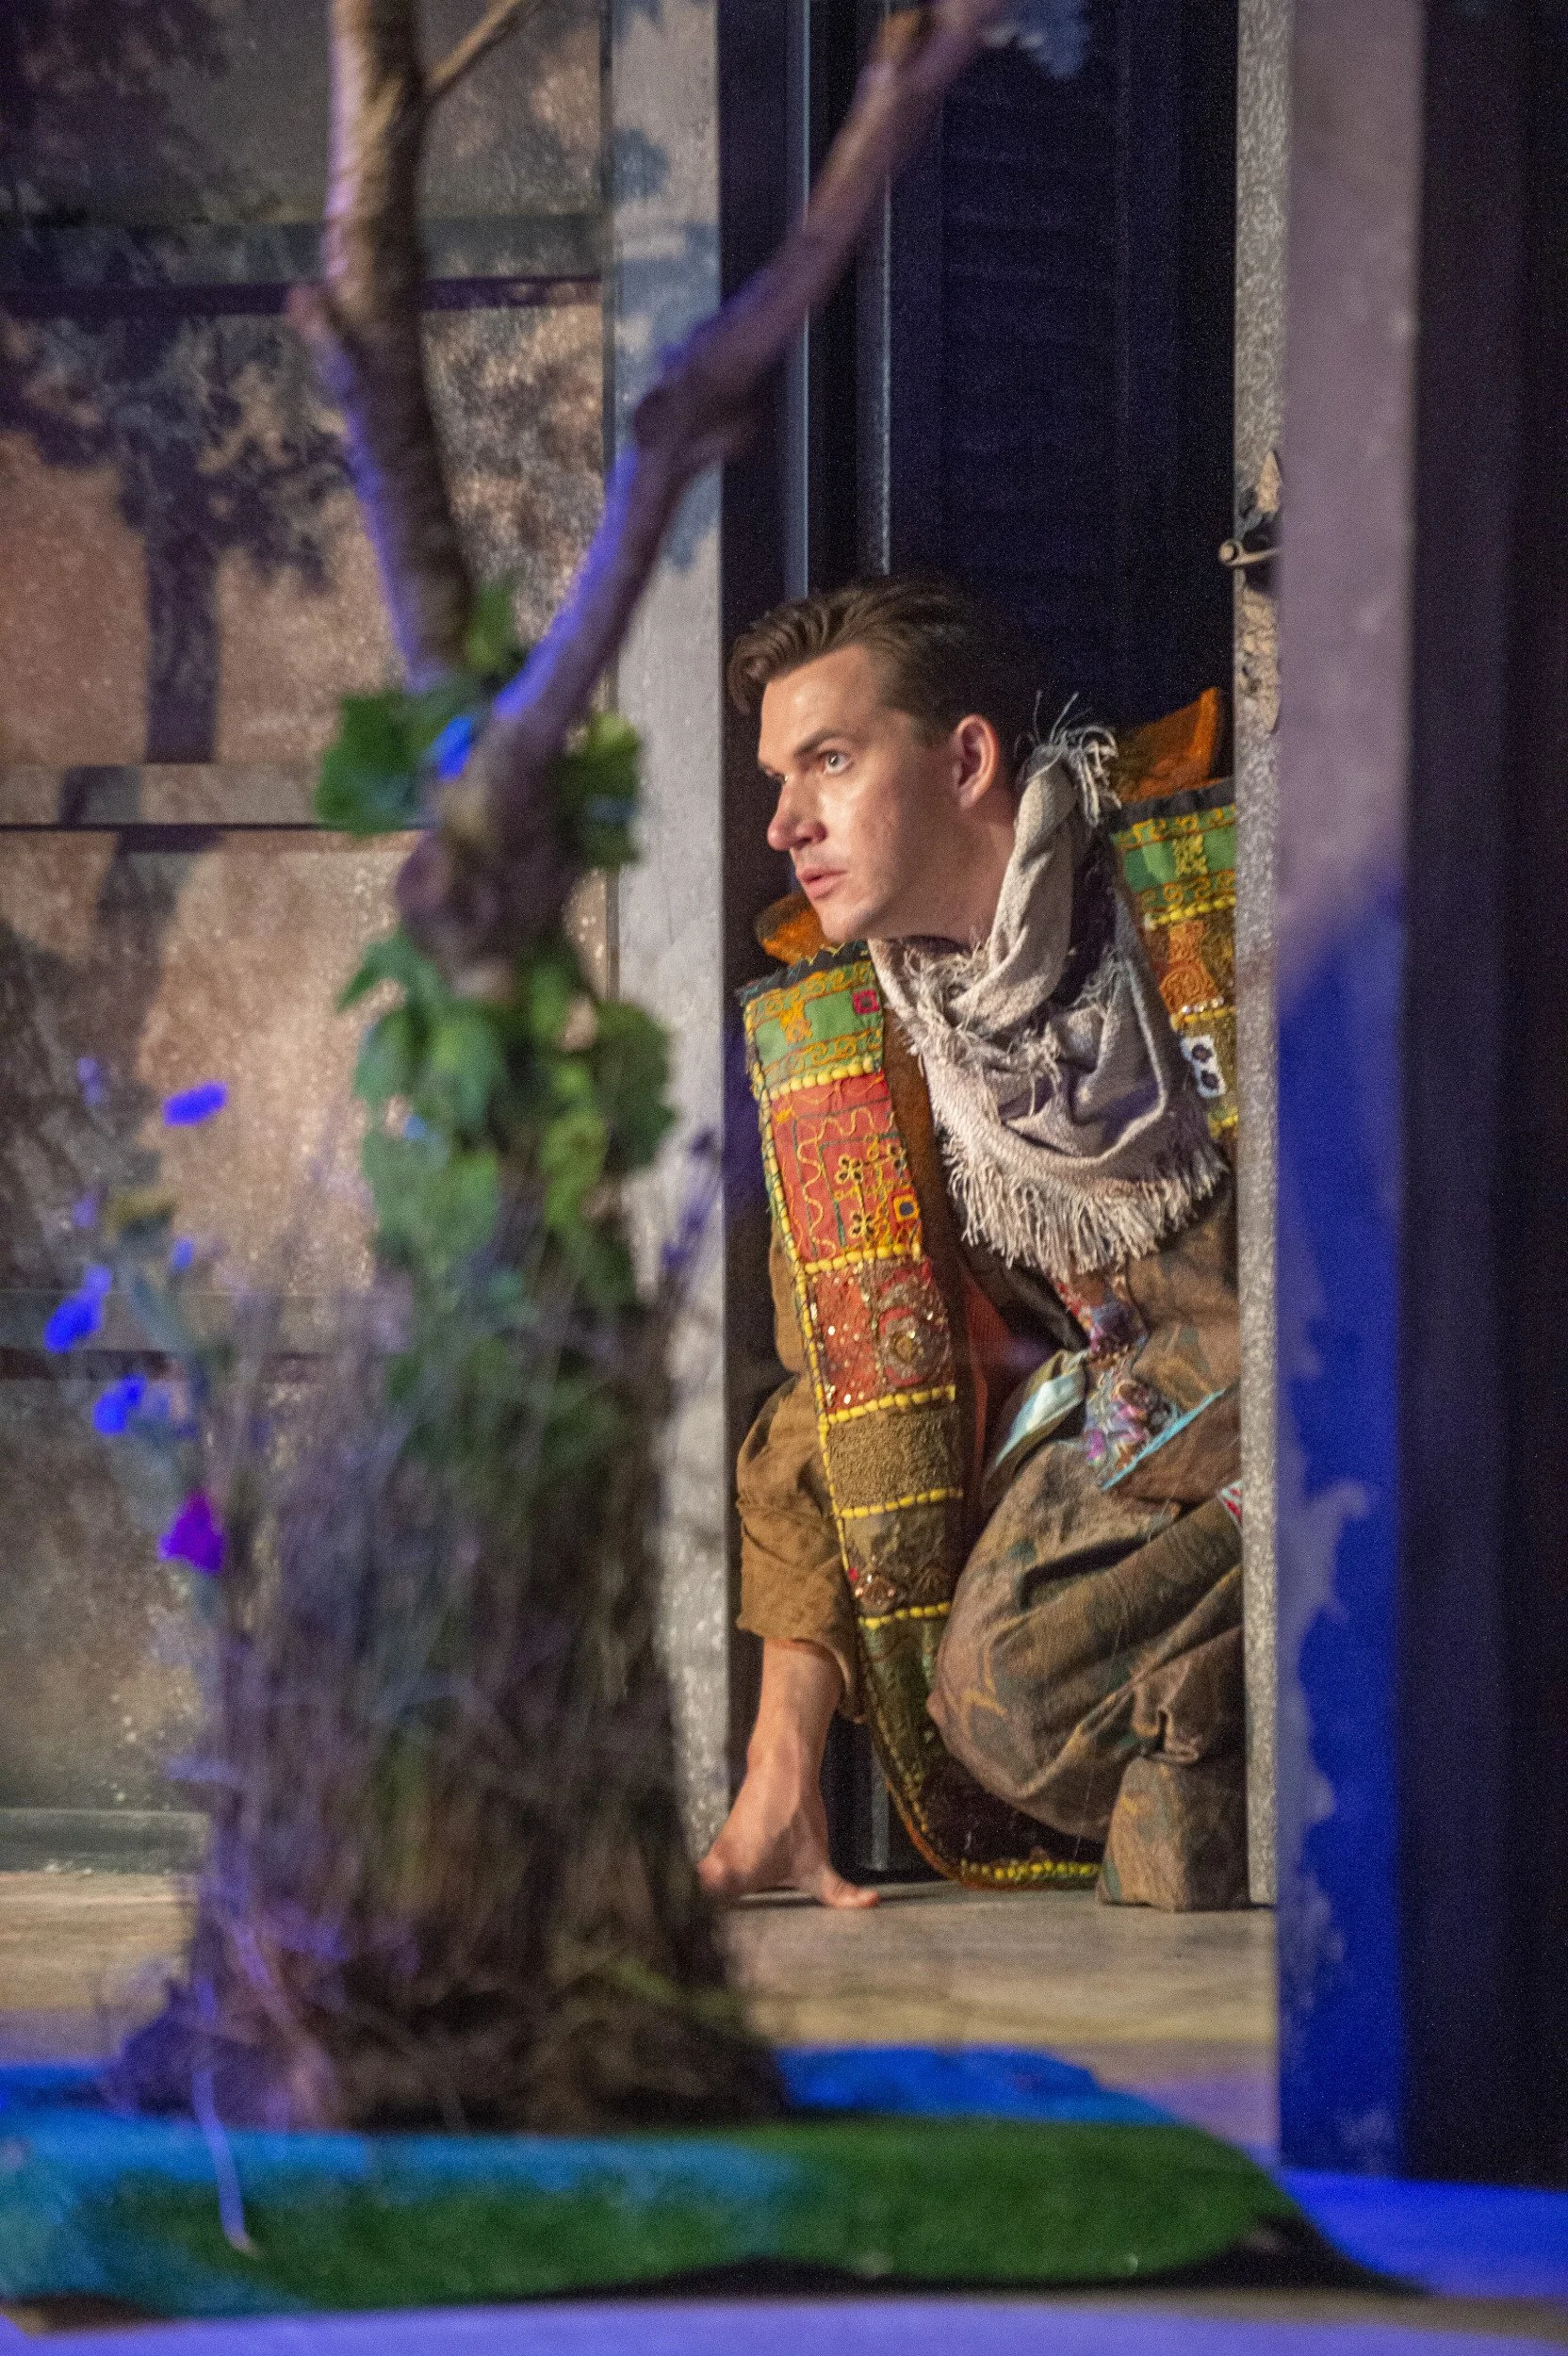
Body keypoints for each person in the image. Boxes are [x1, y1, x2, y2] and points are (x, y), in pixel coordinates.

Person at [697, 577, 1246, 1914]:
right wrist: (777, 1782)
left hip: (1372, 1385)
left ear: (967, 760)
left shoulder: (1204, 882)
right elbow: (838, 1400)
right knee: (1003, 1689)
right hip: (1172, 1439)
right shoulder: (865, 1036)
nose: (785, 823)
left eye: (828, 761)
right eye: (780, 776)